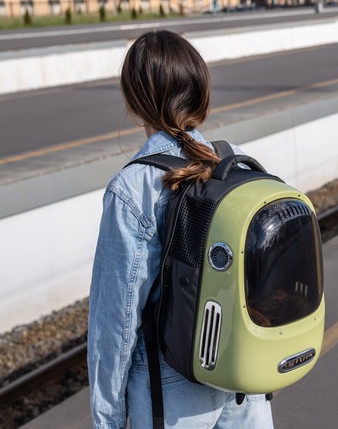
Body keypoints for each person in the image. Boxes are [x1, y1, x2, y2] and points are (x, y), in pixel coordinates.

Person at [87, 30, 274, 429]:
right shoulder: (235, 161)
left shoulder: (134, 188)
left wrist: (108, 420)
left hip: (168, 387)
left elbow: (116, 324)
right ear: (200, 91)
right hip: (241, 374)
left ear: (134, 99)